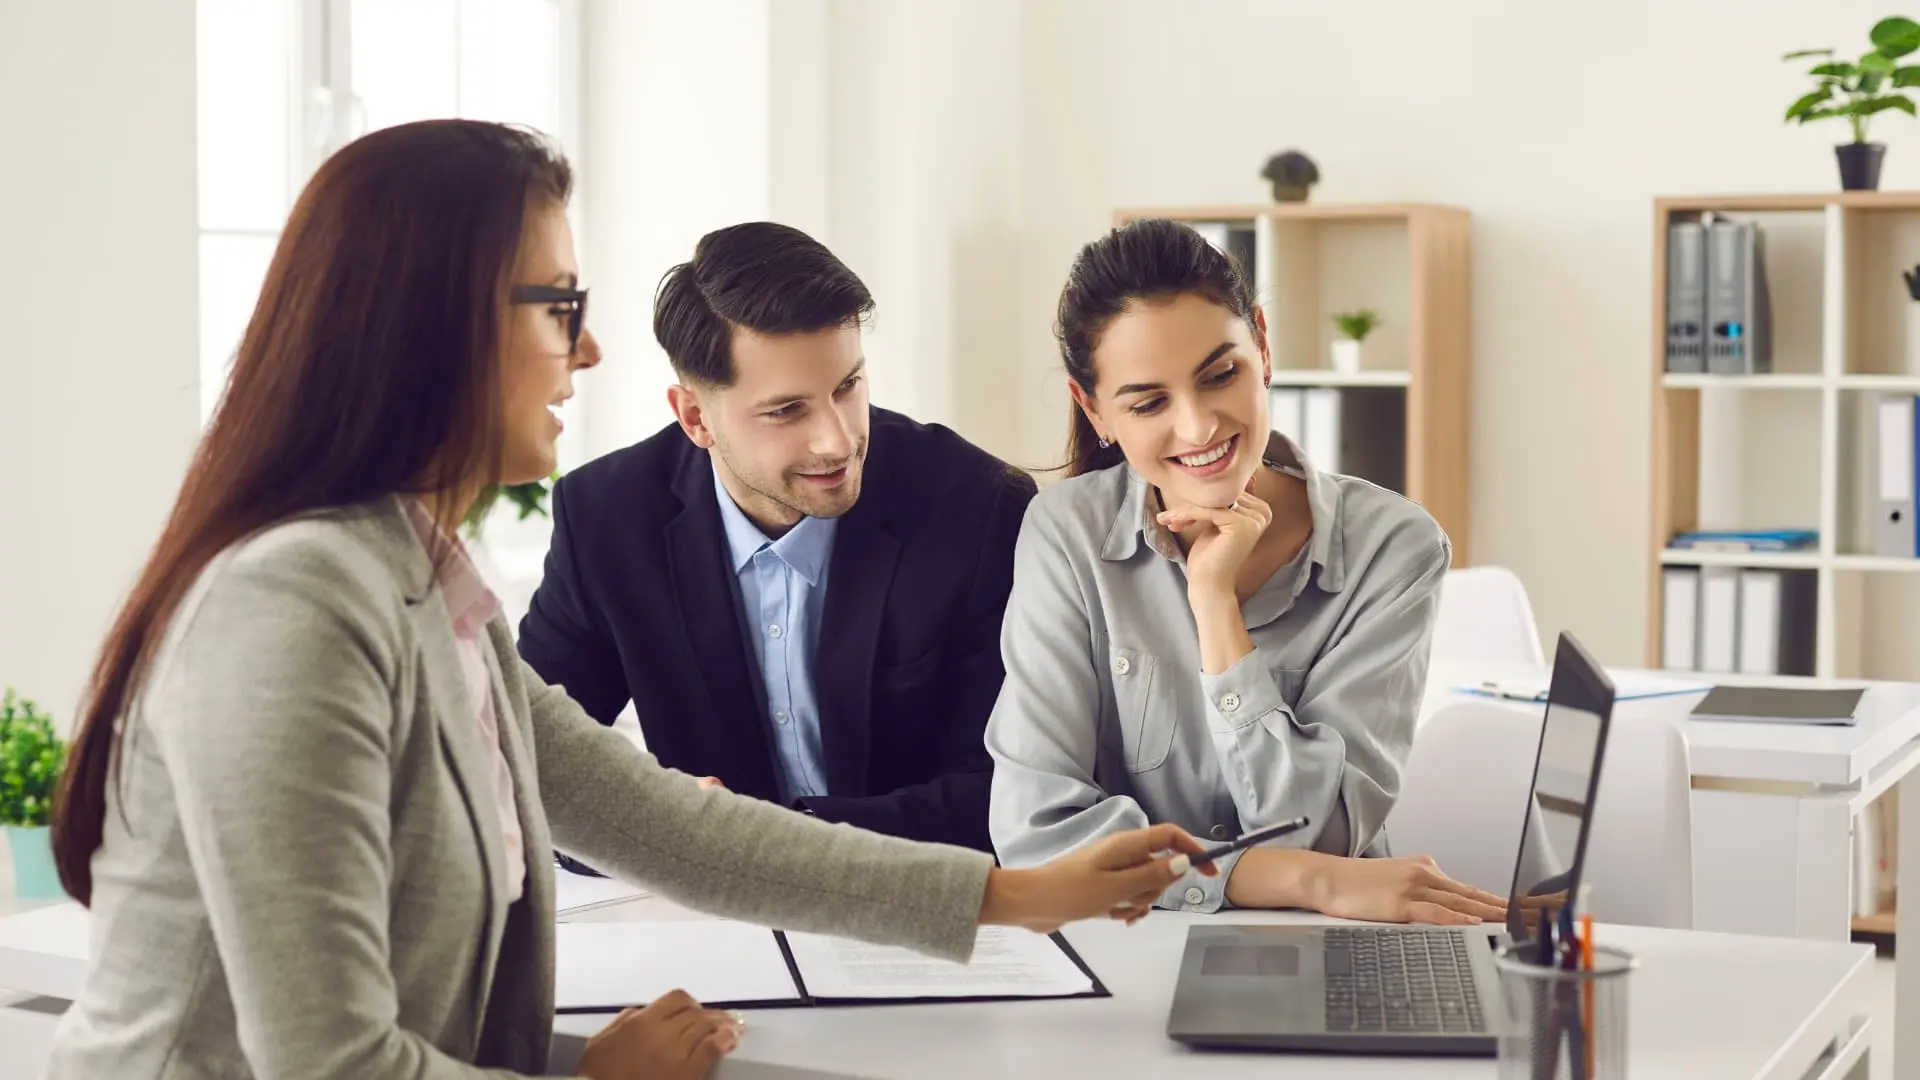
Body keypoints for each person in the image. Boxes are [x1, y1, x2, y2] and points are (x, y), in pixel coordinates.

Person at [44, 122, 1209, 1080]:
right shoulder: (293, 606)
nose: (590, 349)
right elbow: (331, 1067)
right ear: (435, 324)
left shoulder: (420, 583)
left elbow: (666, 827)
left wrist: (1015, 894)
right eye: (559, 305)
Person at [985, 217, 1506, 925]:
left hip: (1325, 941)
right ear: (1094, 410)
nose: (1199, 427)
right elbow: (1038, 834)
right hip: (1129, 944)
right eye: (1149, 403)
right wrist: (1302, 880)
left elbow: (1322, 834)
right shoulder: (1065, 534)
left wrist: (1214, 605)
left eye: (1220, 375)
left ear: (1262, 344)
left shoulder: (1393, 547)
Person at [516, 221, 1033, 854]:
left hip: (925, 896)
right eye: (787, 411)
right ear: (695, 417)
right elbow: (525, 769)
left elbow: (1006, 795)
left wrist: (752, 841)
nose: (837, 440)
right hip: (704, 906)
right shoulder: (605, 519)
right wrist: (653, 821)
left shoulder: (978, 507)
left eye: (848, 387)